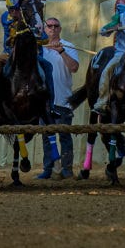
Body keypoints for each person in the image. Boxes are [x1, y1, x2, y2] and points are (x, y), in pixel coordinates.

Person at [37, 15, 78, 180]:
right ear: (44, 29)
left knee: (64, 135)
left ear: (60, 29)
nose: (52, 29)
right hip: (45, 101)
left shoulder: (68, 45)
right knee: (47, 136)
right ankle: (48, 168)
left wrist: (61, 51)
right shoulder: (39, 48)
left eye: (56, 26)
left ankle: (67, 169)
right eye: (49, 26)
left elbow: (74, 68)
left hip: (63, 99)